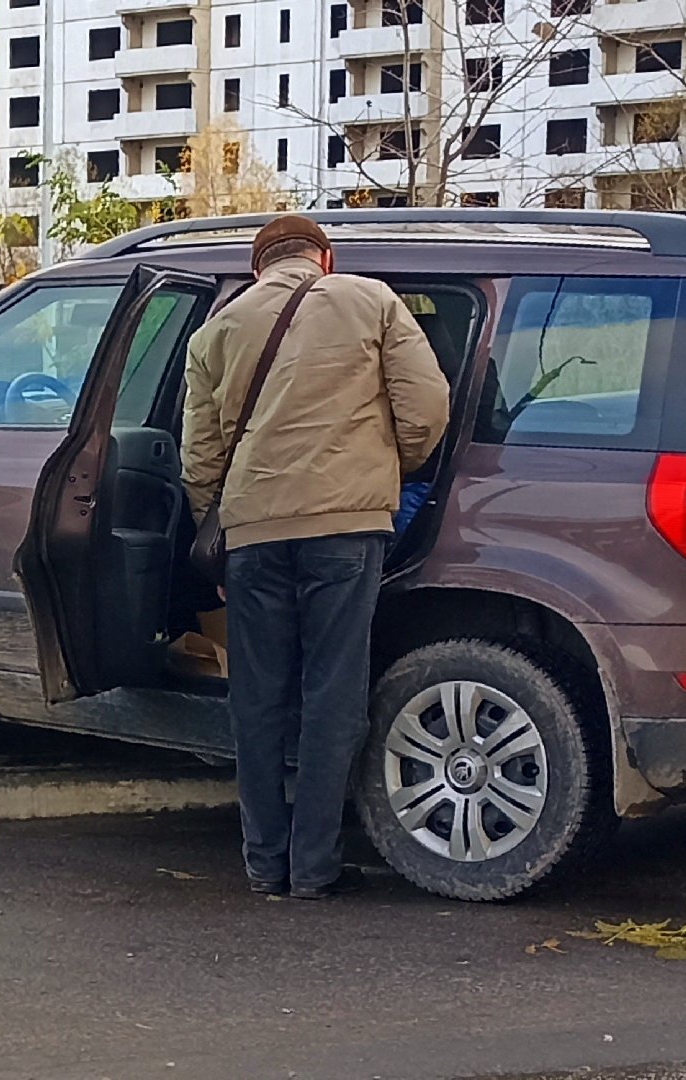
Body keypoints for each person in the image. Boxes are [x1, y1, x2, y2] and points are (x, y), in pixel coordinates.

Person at [180, 216, 450, 900]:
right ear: (324, 258)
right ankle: (316, 868)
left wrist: (220, 522)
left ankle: (263, 864)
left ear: (257, 267)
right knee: (332, 694)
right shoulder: (373, 300)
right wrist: (388, 469)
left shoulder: (216, 330)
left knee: (258, 697)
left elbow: (199, 457)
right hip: (345, 527)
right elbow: (427, 409)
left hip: (253, 533)